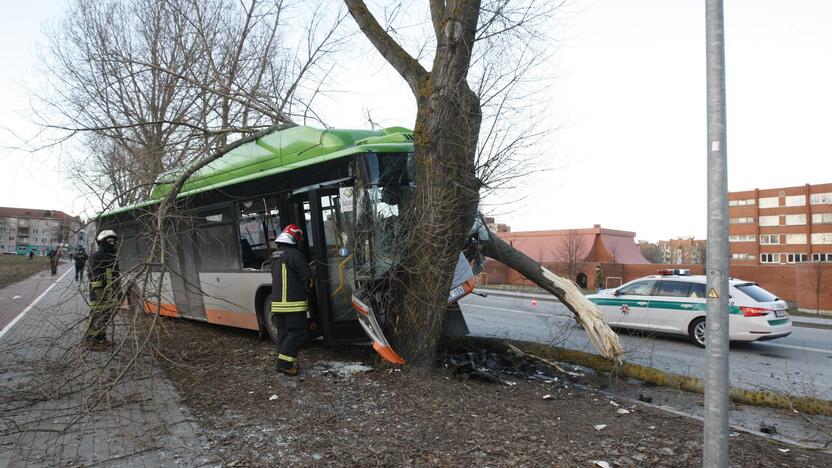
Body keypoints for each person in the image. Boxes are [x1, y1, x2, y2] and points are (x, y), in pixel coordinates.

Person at [270, 224, 315, 376]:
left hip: (277, 303)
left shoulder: (275, 255)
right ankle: (284, 364)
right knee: (297, 332)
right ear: (294, 238)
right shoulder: (295, 254)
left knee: (283, 332)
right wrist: (312, 271)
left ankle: (284, 361)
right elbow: (307, 277)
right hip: (293, 303)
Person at [85, 230, 121, 351]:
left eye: (113, 241)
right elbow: (92, 275)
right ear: (101, 242)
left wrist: (119, 292)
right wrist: (100, 293)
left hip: (111, 293)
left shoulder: (113, 257)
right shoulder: (96, 256)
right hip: (99, 294)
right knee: (96, 317)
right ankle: (91, 342)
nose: (112, 243)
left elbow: (116, 276)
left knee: (105, 318)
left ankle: (101, 339)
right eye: (108, 241)